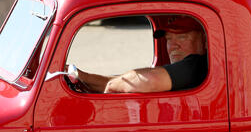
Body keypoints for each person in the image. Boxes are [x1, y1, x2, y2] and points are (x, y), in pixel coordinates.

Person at [74, 15, 207, 94]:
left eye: (182, 37)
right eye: (169, 39)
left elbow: (150, 79)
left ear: (205, 41)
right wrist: (81, 77)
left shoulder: (197, 65)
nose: (173, 46)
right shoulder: (182, 71)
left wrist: (112, 86)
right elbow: (113, 82)